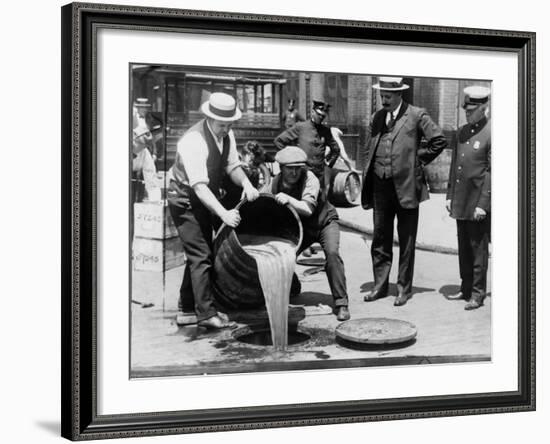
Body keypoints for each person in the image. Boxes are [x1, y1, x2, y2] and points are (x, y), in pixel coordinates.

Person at [167, 92, 260, 329]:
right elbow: (199, 187)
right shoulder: (193, 141)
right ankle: (206, 314)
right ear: (209, 117)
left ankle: (186, 309)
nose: (225, 129)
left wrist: (247, 183)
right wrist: (224, 214)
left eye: (229, 125)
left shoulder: (227, 134)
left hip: (201, 196)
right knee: (201, 254)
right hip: (184, 197)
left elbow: (232, 166)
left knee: (201, 252)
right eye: (221, 125)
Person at [361, 77, 447, 306]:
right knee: (380, 238)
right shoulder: (377, 117)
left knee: (407, 241)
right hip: (381, 186)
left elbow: (439, 140)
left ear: (399, 94)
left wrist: (417, 160)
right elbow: (369, 148)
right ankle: (379, 286)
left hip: (407, 186)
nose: (384, 100)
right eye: (382, 96)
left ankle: (404, 289)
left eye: (388, 96)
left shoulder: (417, 114)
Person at [266, 146, 350, 321]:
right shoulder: (275, 183)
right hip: (302, 228)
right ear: (281, 168)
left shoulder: (310, 178)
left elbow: (307, 208)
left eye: (298, 167)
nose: (295, 172)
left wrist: (288, 198)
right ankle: (293, 285)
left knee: (332, 255)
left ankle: (341, 303)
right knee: (282, 255)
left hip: (324, 222)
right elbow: (262, 199)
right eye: (290, 168)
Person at [446, 86, 491, 310]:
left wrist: (484, 204)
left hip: (477, 201)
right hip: (461, 200)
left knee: (478, 249)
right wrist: (449, 195)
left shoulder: (492, 132)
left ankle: (477, 293)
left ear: (484, 108)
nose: (467, 113)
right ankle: (465, 287)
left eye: (472, 110)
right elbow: (455, 165)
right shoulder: (462, 131)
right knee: (463, 246)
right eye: (466, 109)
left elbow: (492, 173)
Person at [274, 99, 340, 189]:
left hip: (319, 175)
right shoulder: (301, 127)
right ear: (312, 112)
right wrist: (290, 159)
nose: (321, 118)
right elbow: (279, 141)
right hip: (302, 175)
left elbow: (336, 150)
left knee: (319, 200)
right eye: (319, 114)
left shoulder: (326, 131)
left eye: (323, 116)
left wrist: (328, 164)